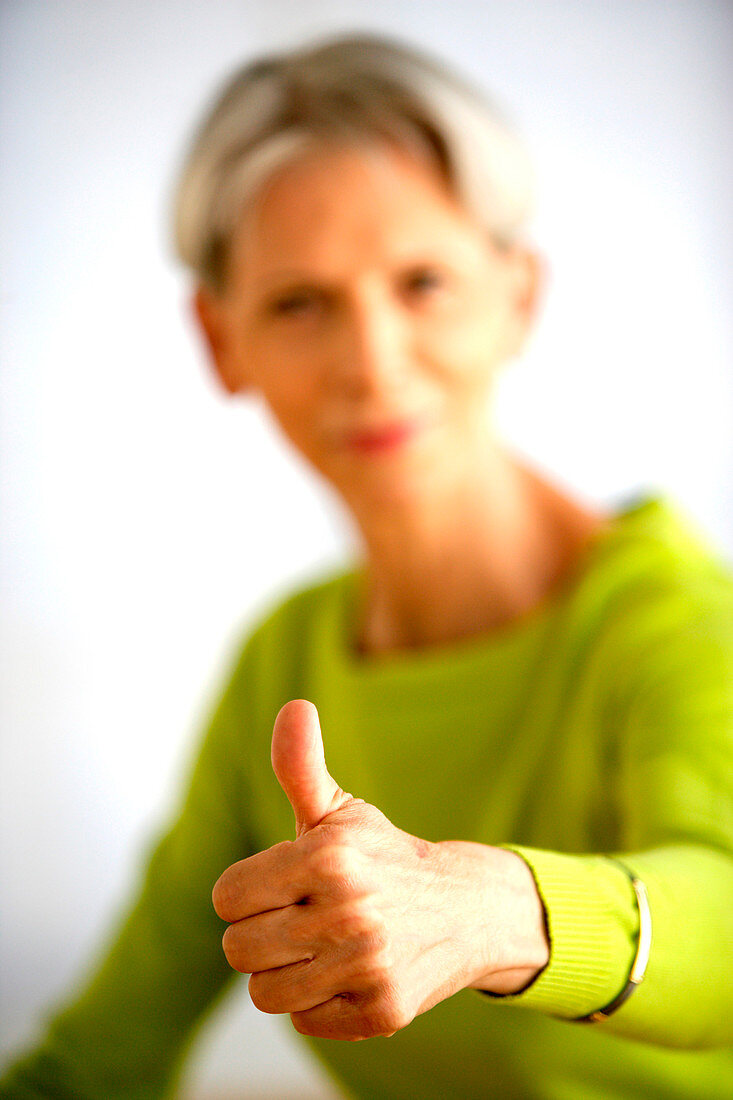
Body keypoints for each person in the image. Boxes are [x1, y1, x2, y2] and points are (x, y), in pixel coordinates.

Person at [2, 29, 732, 1100]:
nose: (372, 362)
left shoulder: (675, 622)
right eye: (300, 302)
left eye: (422, 282)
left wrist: (492, 910)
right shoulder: (284, 656)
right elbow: (98, 1057)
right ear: (221, 341)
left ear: (517, 296)